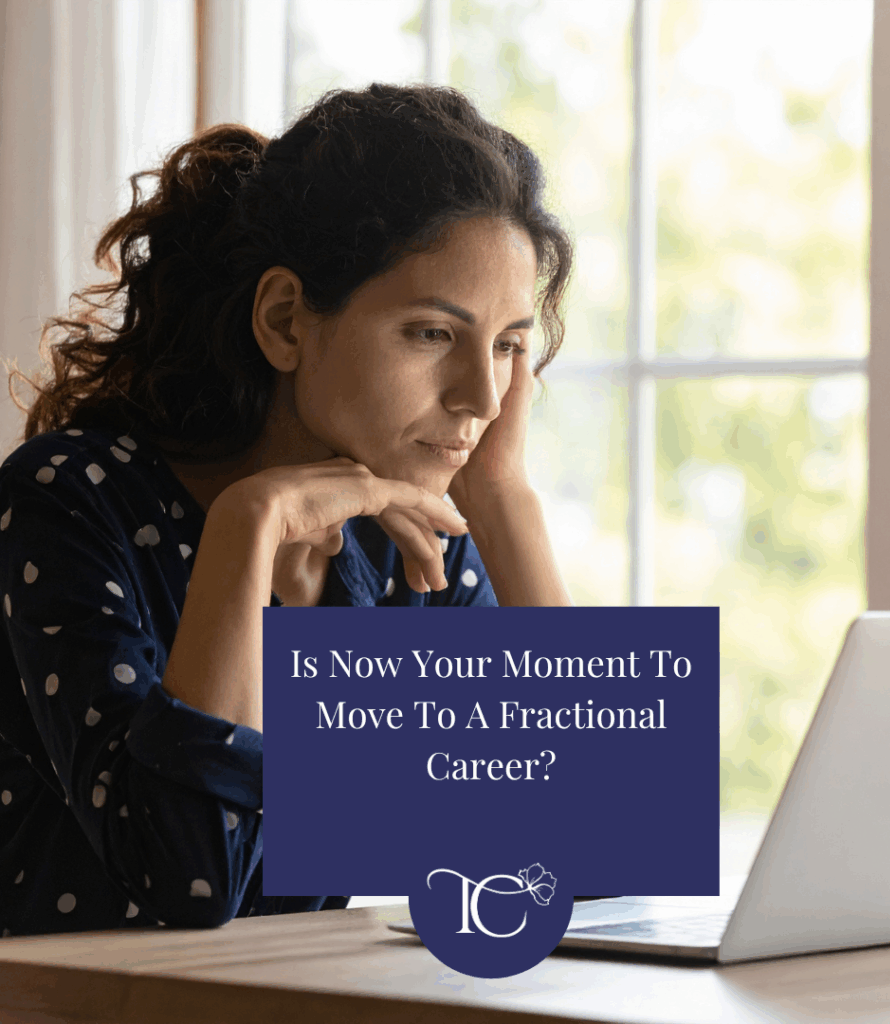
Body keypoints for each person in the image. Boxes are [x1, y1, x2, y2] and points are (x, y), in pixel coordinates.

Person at [0, 82, 574, 936]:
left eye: (508, 345)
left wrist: (501, 497)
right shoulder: (71, 501)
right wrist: (248, 524)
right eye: (431, 333)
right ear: (285, 321)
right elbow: (193, 884)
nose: (483, 396)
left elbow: (580, 864)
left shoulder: (414, 548)